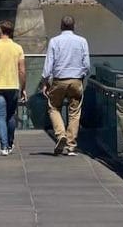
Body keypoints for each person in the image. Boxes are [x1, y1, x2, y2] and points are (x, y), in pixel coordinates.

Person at [39, 15, 90, 156]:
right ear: (73, 26)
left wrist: (45, 82)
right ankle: (71, 145)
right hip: (76, 80)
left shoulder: (55, 41)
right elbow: (86, 64)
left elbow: (49, 64)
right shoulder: (82, 41)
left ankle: (61, 134)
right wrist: (82, 76)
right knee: (74, 112)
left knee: (53, 107)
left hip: (59, 79)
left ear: (61, 26)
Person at [0, 20, 26, 155]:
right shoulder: (18, 48)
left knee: (0, 116)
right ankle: (10, 142)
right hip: (13, 86)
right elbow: (22, 70)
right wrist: (23, 88)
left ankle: (3, 146)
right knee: (10, 116)